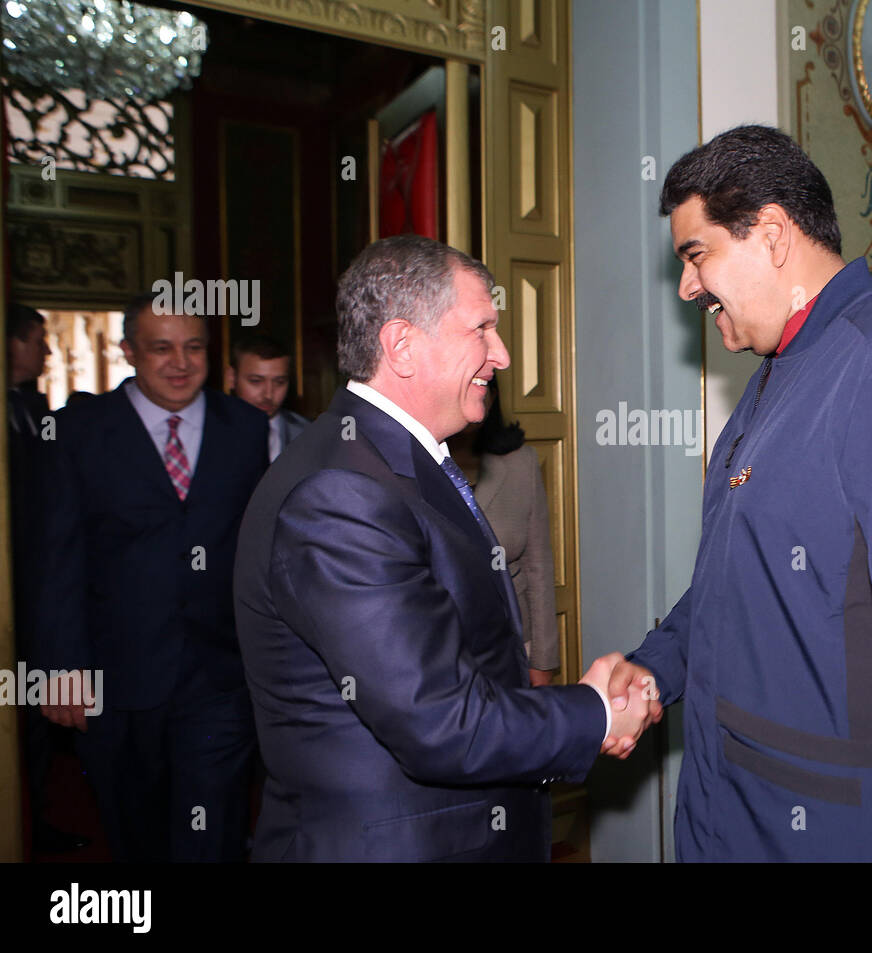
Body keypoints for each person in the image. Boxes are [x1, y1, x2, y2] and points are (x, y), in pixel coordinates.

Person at [607, 125, 872, 861]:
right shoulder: (775, 376)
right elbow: (733, 586)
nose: (686, 287)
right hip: (734, 813)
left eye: (696, 255)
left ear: (770, 234)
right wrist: (653, 668)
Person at [233, 235, 653, 862]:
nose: (502, 354)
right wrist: (592, 712)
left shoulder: (386, 460)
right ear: (402, 345)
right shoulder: (343, 492)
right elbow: (437, 722)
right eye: (482, 329)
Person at [32, 295, 268, 862]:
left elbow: (262, 548)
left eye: (193, 347)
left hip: (222, 677)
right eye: (161, 348)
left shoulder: (246, 428)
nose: (180, 363)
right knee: (135, 830)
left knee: (213, 833)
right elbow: (56, 555)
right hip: (119, 675)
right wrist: (60, 667)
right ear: (129, 351)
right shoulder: (77, 431)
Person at [6, 305, 89, 855]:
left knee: (32, 725)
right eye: (39, 340)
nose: (48, 352)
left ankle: (32, 821)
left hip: (39, 583)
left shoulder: (35, 409)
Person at [447, 378, 561, 686]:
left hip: (514, 641)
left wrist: (543, 659)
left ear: (492, 396)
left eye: (480, 386)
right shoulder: (418, 461)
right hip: (445, 650)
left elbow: (538, 565)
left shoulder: (519, 462)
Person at [226, 334, 310, 461]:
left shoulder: (309, 435)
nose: (268, 394)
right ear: (232, 378)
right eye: (256, 381)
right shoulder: (208, 432)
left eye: (279, 382)